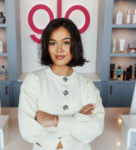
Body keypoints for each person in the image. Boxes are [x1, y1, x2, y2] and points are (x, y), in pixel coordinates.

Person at [18, 18, 105, 150]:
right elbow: (28, 132)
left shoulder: (86, 84)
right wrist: (77, 120)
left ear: (74, 45)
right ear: (46, 46)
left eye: (66, 43)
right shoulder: (33, 81)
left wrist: (55, 120)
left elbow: (96, 128)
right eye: (53, 43)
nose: (59, 49)